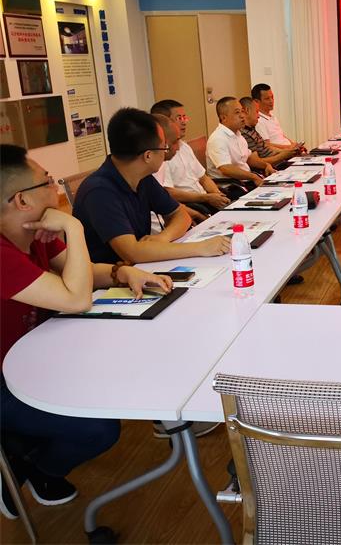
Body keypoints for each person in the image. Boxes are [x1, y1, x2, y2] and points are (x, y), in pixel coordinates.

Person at [0, 144, 171, 519]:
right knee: (98, 429)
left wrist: (121, 272)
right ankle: (34, 465)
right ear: (22, 200)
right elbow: (76, 299)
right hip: (6, 381)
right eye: (47, 181)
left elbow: (81, 273)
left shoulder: (35, 234)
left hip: (41, 354)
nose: (55, 187)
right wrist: (74, 226)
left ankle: (31, 443)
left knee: (122, 367)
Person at [73, 108, 231, 264]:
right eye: (164, 147)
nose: (168, 151)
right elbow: (132, 253)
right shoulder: (99, 192)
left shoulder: (142, 177)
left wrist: (162, 238)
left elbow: (181, 215)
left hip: (143, 266)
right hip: (113, 275)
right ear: (148, 156)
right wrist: (201, 248)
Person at [149, 100, 230, 216]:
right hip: (191, 204)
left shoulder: (184, 146)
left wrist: (217, 194)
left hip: (204, 199)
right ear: (165, 123)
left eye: (184, 117)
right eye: (179, 118)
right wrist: (206, 198)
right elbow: (168, 192)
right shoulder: (160, 155)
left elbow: (203, 177)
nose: (184, 122)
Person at [151, 113, 208, 226]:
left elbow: (173, 208)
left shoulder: (151, 174)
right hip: (163, 230)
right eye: (174, 142)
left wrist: (196, 215)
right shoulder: (150, 173)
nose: (177, 148)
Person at [206, 97, 274, 187]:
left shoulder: (238, 134)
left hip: (246, 181)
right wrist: (253, 177)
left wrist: (266, 165)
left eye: (242, 111)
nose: (242, 115)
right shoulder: (218, 138)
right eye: (237, 112)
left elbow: (249, 158)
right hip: (232, 187)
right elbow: (226, 169)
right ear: (223, 118)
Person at [238, 96, 299, 167]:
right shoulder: (245, 134)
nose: (258, 116)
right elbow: (256, 162)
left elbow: (267, 146)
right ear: (247, 111)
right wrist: (282, 156)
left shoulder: (251, 129)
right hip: (271, 166)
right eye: (256, 112)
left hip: (279, 161)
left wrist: (287, 151)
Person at [251, 83, 306, 151]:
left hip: (290, 150)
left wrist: (295, 145)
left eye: (272, 97)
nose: (271, 101)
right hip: (284, 153)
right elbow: (267, 145)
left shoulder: (273, 117)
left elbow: (281, 136)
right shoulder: (259, 120)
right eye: (267, 99)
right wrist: (289, 147)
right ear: (257, 101)